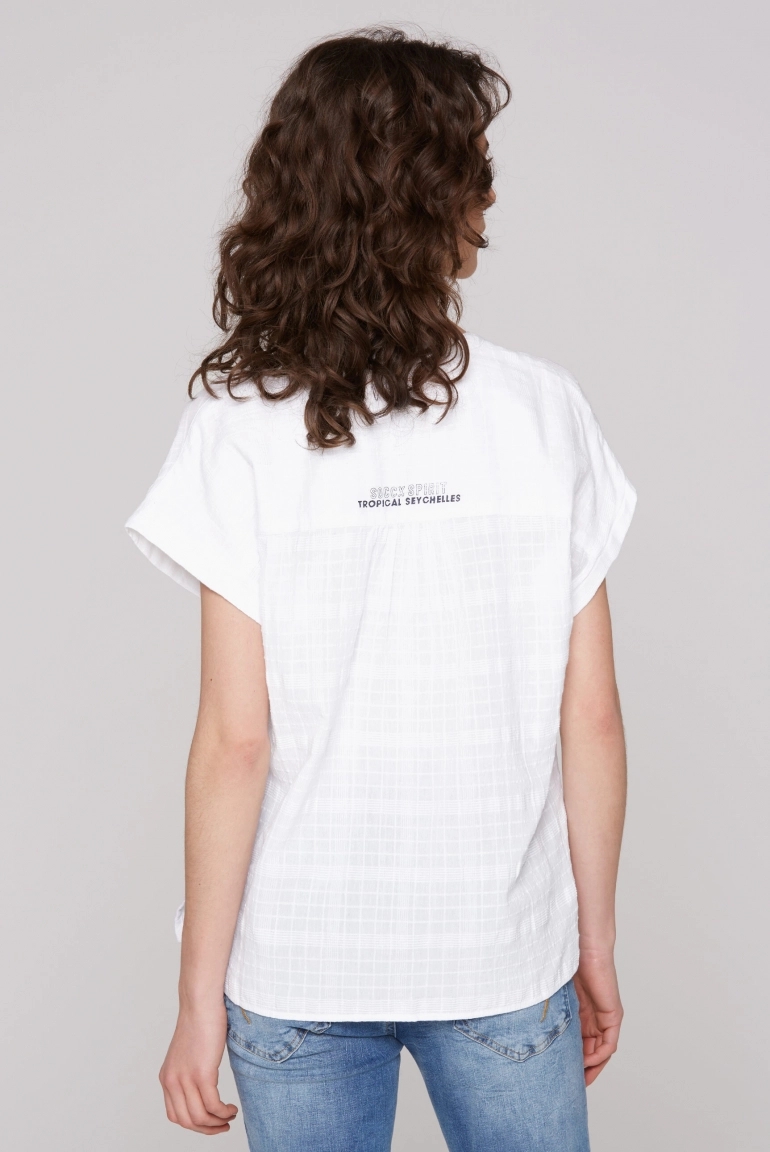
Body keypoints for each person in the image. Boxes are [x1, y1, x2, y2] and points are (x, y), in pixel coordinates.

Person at [126, 26, 636, 1152]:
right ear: (427, 198)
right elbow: (590, 716)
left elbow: (235, 740)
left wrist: (196, 1001)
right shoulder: (543, 413)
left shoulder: (237, 426)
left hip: (299, 962)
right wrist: (593, 946)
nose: (490, 197)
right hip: (502, 955)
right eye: (472, 167)